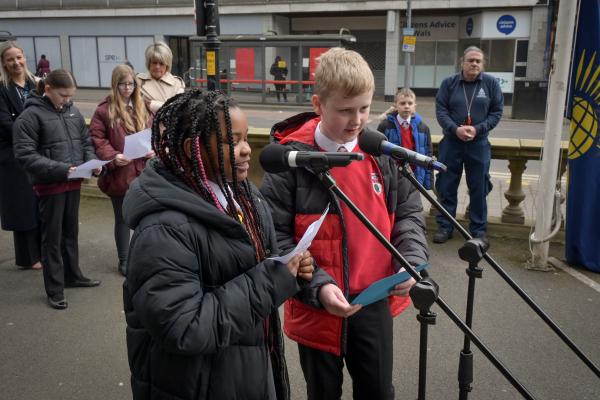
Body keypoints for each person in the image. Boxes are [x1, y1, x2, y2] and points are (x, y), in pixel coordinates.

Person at [122, 89, 315, 400]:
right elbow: (184, 327)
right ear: (191, 148)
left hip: (242, 369)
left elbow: (263, 261)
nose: (246, 150)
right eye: (232, 141)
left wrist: (295, 269)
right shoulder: (163, 228)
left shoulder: (243, 195)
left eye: (245, 138)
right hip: (195, 384)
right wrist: (271, 282)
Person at [261, 48, 429, 400]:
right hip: (318, 305)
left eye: (365, 109)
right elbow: (274, 236)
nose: (357, 120)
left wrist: (410, 262)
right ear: (318, 104)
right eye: (345, 110)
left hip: (375, 299)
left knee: (379, 392)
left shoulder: (382, 153)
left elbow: (411, 214)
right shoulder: (290, 159)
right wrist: (318, 287)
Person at [13, 69, 102, 310]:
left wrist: (92, 163)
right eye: (63, 95)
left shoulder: (72, 111)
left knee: (70, 233)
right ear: (48, 88)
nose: (68, 100)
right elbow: (25, 155)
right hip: (50, 185)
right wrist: (62, 169)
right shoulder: (30, 116)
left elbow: (85, 141)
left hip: (73, 182)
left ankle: (73, 275)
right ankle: (54, 289)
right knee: (51, 238)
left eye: (71, 96)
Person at [433, 46, 503, 244]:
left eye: (478, 61)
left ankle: (478, 230)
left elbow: (496, 112)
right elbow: (441, 110)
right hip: (451, 142)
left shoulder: (490, 84)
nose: (474, 64)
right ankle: (445, 227)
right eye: (470, 60)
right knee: (446, 185)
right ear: (462, 62)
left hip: (478, 144)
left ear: (482, 65)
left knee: (479, 187)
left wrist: (478, 129)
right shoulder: (449, 83)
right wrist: (456, 129)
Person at [89, 64, 152, 276]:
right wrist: (113, 156)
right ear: (115, 85)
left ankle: (142, 256)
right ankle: (124, 259)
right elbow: (97, 139)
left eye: (131, 84)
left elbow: (152, 134)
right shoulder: (104, 110)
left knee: (145, 217)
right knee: (123, 219)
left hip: (143, 171)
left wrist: (153, 150)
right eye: (123, 84)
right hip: (120, 173)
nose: (127, 88)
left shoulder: (141, 106)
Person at [0, 40, 41, 270]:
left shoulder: (34, 84)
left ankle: (42, 252)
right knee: (22, 206)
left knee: (39, 202)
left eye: (19, 57)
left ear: (24, 58)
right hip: (13, 154)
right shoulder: (2, 89)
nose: (16, 62)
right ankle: (28, 257)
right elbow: (5, 122)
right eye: (10, 59)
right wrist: (31, 130)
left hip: (36, 149)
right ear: (4, 63)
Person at [377, 87, 434, 190]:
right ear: (395, 105)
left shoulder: (423, 128)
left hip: (415, 176)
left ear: (414, 106)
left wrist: (428, 180)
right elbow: (377, 152)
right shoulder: (385, 126)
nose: (407, 106)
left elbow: (428, 153)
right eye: (402, 103)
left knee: (413, 205)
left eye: (410, 103)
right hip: (392, 175)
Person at [137, 41, 184, 114]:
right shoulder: (138, 81)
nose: (157, 67)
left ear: (167, 65)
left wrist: (152, 104)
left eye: (161, 63)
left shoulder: (177, 83)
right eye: (154, 63)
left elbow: (177, 108)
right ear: (149, 63)